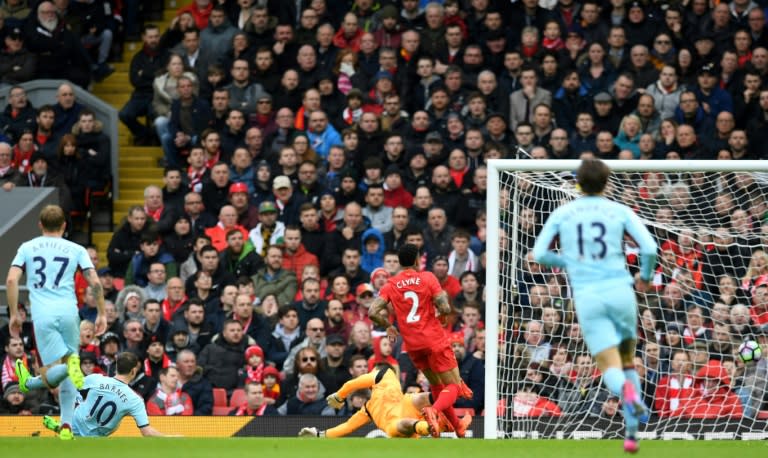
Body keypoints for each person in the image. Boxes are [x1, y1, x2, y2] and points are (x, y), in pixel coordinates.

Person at [532, 158, 658, 454]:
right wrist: (646, 277)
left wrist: (569, 262)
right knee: (627, 359)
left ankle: (625, 396)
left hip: (589, 295)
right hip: (621, 290)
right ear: (607, 182)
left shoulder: (565, 211)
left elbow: (539, 253)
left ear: (577, 183)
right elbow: (650, 248)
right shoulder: (619, 210)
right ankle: (631, 435)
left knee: (608, 364)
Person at [7, 205, 106, 440]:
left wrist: (13, 313)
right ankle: (66, 426)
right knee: (70, 365)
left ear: (40, 225)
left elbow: (11, 280)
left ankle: (30, 383)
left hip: (43, 315)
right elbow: (95, 282)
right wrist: (101, 312)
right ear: (64, 225)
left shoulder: (27, 247)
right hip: (69, 312)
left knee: (58, 369)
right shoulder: (77, 249)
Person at [368, 243, 473, 438]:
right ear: (417, 260)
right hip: (434, 340)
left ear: (399, 262)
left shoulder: (391, 284)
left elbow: (373, 311)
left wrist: (389, 326)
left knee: (436, 384)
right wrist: (442, 315)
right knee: (454, 385)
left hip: (413, 345)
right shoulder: (427, 278)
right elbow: (445, 307)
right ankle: (433, 410)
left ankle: (457, 426)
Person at [299, 364, 459, 438]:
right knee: (406, 423)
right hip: (396, 423)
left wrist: (339, 395)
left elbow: (353, 383)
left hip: (405, 403)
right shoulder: (368, 409)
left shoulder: (383, 374)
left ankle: (447, 411)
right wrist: (319, 435)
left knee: (421, 397)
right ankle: (435, 425)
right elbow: (347, 427)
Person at [38, 352, 171, 437]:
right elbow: (146, 432)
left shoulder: (96, 378)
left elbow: (72, 389)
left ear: (116, 367)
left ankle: (61, 428)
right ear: (133, 372)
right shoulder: (135, 400)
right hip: (95, 440)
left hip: (73, 423)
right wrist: (170, 437)